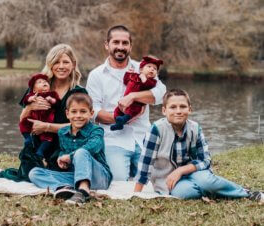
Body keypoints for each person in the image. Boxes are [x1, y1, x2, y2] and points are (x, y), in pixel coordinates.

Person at [134, 89, 264, 202]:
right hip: (167, 179)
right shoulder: (157, 129)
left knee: (206, 181)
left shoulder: (195, 128)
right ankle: (212, 189)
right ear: (164, 110)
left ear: (190, 109)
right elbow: (145, 162)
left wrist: (181, 170)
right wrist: (136, 194)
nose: (178, 111)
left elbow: (206, 160)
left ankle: (248, 193)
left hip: (193, 173)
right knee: (185, 193)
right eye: (173, 107)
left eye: (183, 106)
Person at [0, 43, 87, 182]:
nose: (61, 66)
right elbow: (22, 119)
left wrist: (46, 126)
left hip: (65, 147)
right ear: (50, 64)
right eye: (56, 62)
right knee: (28, 175)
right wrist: (29, 108)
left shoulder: (79, 92)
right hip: (38, 146)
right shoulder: (38, 87)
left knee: (53, 173)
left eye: (66, 62)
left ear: (73, 64)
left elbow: (80, 127)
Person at [86, 25, 166, 181]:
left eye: (125, 43)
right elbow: (93, 112)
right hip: (113, 138)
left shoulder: (143, 68)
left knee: (157, 182)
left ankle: (136, 167)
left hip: (142, 136)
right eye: (116, 42)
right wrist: (119, 119)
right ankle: (120, 167)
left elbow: (161, 94)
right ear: (107, 45)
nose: (120, 47)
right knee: (118, 182)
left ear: (130, 46)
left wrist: (134, 96)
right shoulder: (96, 75)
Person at [29, 93, 112, 204]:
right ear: (67, 114)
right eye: (74, 111)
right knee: (34, 173)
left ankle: (83, 192)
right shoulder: (63, 132)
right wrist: (62, 158)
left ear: (91, 113)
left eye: (83, 111)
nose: (78, 115)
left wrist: (70, 156)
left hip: (99, 177)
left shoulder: (96, 130)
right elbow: (64, 150)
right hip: (75, 176)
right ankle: (63, 188)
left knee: (81, 152)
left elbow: (93, 147)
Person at [111, 56, 163, 131]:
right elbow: (125, 81)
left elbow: (148, 85)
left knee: (132, 111)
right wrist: (128, 73)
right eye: (149, 67)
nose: (152, 69)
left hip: (137, 104)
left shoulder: (152, 81)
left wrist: (143, 78)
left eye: (155, 69)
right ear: (141, 69)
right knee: (117, 111)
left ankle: (123, 120)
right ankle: (118, 124)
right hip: (125, 101)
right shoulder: (134, 75)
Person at [19, 73, 60, 161]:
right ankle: (27, 138)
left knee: (48, 137)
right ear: (34, 89)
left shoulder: (52, 94)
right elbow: (26, 100)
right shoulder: (33, 95)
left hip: (47, 120)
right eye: (40, 82)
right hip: (33, 119)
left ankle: (40, 151)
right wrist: (31, 100)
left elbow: (57, 102)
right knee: (24, 123)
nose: (44, 83)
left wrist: (51, 100)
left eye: (45, 82)